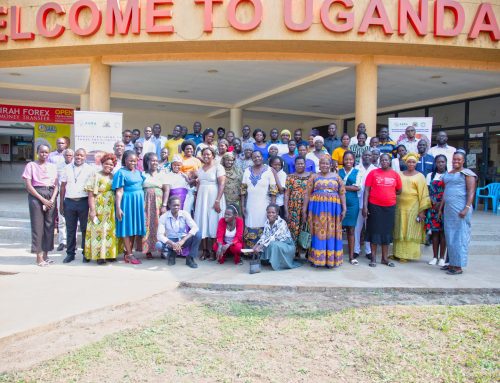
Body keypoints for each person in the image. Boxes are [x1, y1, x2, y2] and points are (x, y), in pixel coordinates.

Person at [303, 155, 346, 268]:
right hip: (317, 209)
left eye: (327, 163)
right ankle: (317, 259)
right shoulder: (313, 177)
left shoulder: (337, 177)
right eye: (322, 163)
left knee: (332, 232)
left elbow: (342, 193)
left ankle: (331, 260)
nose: (325, 165)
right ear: (319, 165)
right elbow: (307, 193)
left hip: (334, 209)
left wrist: (344, 208)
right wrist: (304, 209)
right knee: (318, 232)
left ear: (330, 165)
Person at [440, 150, 477, 275]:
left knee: (459, 237)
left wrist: (466, 207)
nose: (456, 161)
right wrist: (441, 208)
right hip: (449, 210)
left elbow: (471, 191)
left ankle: (458, 266)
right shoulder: (449, 173)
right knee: (450, 236)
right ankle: (451, 263)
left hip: (460, 209)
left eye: (459, 159)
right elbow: (446, 192)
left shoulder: (467, 174)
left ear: (463, 161)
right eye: (454, 159)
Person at [363, 153, 402, 267]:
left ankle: (385, 258)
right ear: (380, 161)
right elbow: (366, 190)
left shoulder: (395, 175)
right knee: (374, 232)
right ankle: (373, 258)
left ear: (390, 161)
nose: (384, 162)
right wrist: (365, 206)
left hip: (389, 207)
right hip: (374, 206)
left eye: (386, 160)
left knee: (386, 233)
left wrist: (388, 193)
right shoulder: (373, 173)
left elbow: (399, 190)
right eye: (382, 160)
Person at [22, 144, 59, 267]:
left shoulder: (53, 167)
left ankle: (46, 255)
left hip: (50, 195)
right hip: (36, 195)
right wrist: (42, 199)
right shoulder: (31, 165)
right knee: (38, 227)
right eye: (42, 152)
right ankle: (39, 257)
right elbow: (28, 185)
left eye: (46, 152)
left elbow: (56, 185)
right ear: (37, 152)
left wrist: (52, 199)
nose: (44, 154)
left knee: (49, 226)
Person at [393, 153, 431, 261]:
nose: (411, 164)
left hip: (413, 207)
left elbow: (423, 194)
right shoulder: (399, 174)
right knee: (400, 228)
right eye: (409, 161)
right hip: (399, 207)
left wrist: (422, 211)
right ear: (406, 162)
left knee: (410, 229)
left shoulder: (420, 176)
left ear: (416, 163)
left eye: (413, 162)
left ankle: (408, 255)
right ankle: (398, 253)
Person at [60, 148, 94, 263]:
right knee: (70, 229)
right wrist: (61, 204)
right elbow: (63, 186)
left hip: (84, 202)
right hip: (69, 202)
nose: (79, 157)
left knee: (85, 229)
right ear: (74, 156)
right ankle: (70, 254)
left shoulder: (90, 169)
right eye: (77, 155)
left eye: (82, 156)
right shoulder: (66, 168)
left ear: (85, 157)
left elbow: (91, 189)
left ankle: (86, 253)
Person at [112, 150, 146, 265]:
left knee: (134, 228)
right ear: (124, 160)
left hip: (138, 203)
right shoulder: (121, 173)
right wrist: (118, 208)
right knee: (127, 227)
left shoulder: (138, 172)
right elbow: (119, 192)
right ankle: (130, 255)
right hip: (127, 203)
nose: (133, 162)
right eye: (130, 160)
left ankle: (128, 252)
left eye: (135, 160)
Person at [84, 153, 118, 264]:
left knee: (109, 232)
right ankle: (100, 256)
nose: (109, 166)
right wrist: (92, 210)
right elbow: (90, 194)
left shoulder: (114, 176)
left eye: (111, 164)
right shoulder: (96, 175)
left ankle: (109, 254)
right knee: (98, 231)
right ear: (102, 163)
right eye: (106, 164)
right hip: (99, 206)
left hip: (110, 208)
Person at [194, 147, 226, 261]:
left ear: (213, 155)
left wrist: (218, 200)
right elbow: (198, 183)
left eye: (208, 154)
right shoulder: (200, 169)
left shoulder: (218, 167)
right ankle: (204, 250)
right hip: (202, 198)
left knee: (213, 222)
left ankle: (213, 250)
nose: (206, 156)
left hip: (214, 198)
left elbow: (222, 184)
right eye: (204, 154)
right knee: (202, 222)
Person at [241, 150, 278, 248]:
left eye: (258, 156)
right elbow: (243, 190)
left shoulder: (269, 170)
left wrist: (273, 208)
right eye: (254, 157)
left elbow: (273, 191)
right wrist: (243, 206)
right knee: (250, 223)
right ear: (252, 159)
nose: (257, 158)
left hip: (265, 205)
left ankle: (262, 252)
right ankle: (250, 251)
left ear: (262, 157)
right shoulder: (247, 171)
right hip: (250, 205)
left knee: (264, 224)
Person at [252, 204, 300, 271]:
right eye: (269, 212)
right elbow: (264, 236)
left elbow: (273, 237)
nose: (270, 214)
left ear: (277, 213)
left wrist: (260, 246)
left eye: (273, 212)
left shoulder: (282, 223)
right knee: (269, 243)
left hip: (287, 246)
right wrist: (257, 244)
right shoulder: (267, 222)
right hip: (276, 243)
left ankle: (279, 264)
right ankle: (269, 260)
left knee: (271, 244)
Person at [157, 196, 200, 268]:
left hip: (183, 240)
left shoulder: (184, 214)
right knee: (159, 245)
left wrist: (183, 240)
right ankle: (171, 254)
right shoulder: (163, 217)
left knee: (198, 234)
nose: (176, 207)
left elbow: (195, 227)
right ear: (169, 205)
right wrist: (172, 243)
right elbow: (159, 235)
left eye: (178, 205)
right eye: (174, 205)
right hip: (171, 241)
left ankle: (190, 258)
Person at [142, 152, 170, 259]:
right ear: (147, 162)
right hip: (146, 204)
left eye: (156, 160)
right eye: (152, 160)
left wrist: (164, 205)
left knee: (161, 226)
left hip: (159, 203)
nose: (154, 162)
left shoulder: (162, 174)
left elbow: (166, 189)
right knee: (147, 225)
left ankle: (163, 249)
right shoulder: (142, 174)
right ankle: (148, 250)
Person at [284, 156, 312, 257]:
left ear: (305, 164)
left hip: (308, 205)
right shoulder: (290, 177)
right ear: (294, 165)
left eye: (302, 163)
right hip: (293, 206)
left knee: (307, 228)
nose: (300, 165)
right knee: (294, 228)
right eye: (298, 164)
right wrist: (286, 210)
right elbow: (287, 194)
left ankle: (307, 250)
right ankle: (295, 252)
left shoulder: (311, 176)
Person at [354, 149, 377, 259]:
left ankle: (368, 251)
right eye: (365, 155)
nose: (367, 157)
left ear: (372, 157)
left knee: (369, 228)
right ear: (362, 157)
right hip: (357, 202)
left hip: (371, 203)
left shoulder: (376, 170)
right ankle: (356, 250)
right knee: (357, 228)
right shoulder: (356, 169)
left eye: (369, 155)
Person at [339, 151, 361, 265]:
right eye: (346, 159)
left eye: (351, 159)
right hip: (338, 203)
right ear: (343, 160)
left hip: (353, 204)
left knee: (351, 230)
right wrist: (349, 187)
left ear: (354, 161)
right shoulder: (338, 171)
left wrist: (342, 186)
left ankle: (352, 256)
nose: (348, 161)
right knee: (337, 230)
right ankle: (337, 255)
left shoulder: (357, 172)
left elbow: (357, 187)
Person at [425, 155, 447, 267]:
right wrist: (433, 202)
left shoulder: (449, 175)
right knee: (435, 233)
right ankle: (434, 257)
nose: (440, 164)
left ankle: (442, 258)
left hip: (445, 208)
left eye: (443, 162)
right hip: (433, 207)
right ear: (435, 163)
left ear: (446, 163)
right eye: (438, 162)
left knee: (443, 233)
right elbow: (427, 191)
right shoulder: (430, 175)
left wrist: (441, 204)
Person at [55, 148, 74, 251]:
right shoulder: (58, 166)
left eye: (70, 155)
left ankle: (72, 242)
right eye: (67, 155)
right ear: (63, 156)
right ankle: (62, 241)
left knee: (73, 221)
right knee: (61, 219)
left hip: (72, 196)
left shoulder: (75, 166)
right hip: (61, 195)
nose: (68, 157)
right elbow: (56, 181)